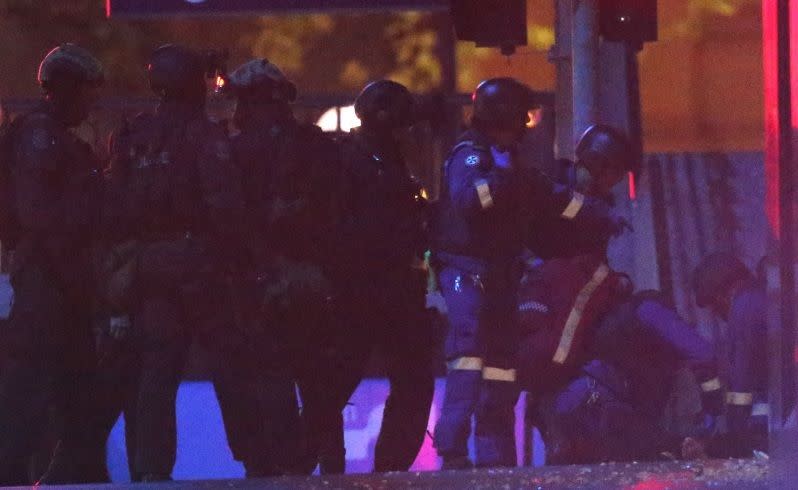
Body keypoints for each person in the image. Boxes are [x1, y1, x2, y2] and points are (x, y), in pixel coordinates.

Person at [432, 77, 623, 469]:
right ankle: (452, 448)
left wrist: (600, 214)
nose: (526, 124)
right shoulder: (468, 156)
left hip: (501, 275)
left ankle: (495, 459)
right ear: (502, 115)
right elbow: (470, 199)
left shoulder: (511, 164)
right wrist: (508, 179)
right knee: (469, 348)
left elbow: (554, 200)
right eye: (521, 116)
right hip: (465, 271)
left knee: (502, 365)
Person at [106, 44, 244, 481]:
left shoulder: (134, 135)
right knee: (230, 367)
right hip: (199, 267)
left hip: (150, 268)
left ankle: (151, 471)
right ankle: (259, 459)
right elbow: (226, 209)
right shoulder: (204, 135)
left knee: (156, 374)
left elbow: (114, 203)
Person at [219, 57, 345, 476]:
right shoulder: (318, 146)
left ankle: (276, 468)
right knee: (316, 375)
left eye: (239, 102)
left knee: (267, 373)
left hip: (258, 282)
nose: (234, 112)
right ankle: (327, 464)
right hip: (314, 278)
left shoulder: (233, 152)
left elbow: (227, 219)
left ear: (254, 102)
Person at [0, 43, 106, 485]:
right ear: (64, 88)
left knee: (78, 395)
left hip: (64, 283)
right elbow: (39, 215)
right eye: (85, 91)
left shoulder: (60, 140)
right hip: (47, 284)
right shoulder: (40, 136)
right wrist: (69, 278)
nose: (91, 101)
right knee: (29, 395)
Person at [332, 80, 436, 472]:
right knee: (338, 378)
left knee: (413, 381)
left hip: (397, 289)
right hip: (359, 289)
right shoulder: (349, 162)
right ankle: (311, 461)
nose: (410, 132)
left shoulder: (393, 161)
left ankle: (391, 470)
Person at [693, 252, 768, 457]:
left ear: (720, 295)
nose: (718, 314)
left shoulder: (742, 309)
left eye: (715, 307)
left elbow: (741, 386)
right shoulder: (761, 296)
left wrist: (732, 442)